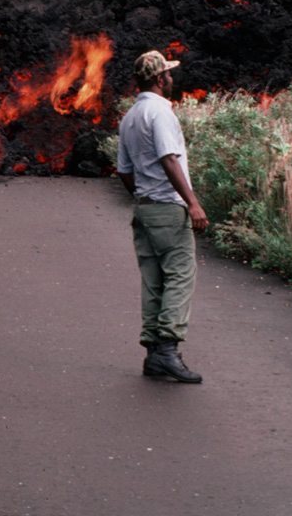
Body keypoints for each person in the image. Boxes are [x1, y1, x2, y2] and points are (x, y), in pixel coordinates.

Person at [116, 50, 209, 383]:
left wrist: (143, 196)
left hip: (144, 209)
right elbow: (169, 158)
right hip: (168, 209)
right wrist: (192, 203)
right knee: (180, 276)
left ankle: (154, 355)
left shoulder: (130, 117)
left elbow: (124, 170)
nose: (171, 78)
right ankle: (168, 351)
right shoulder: (160, 112)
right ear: (159, 79)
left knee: (153, 281)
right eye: (168, 74)